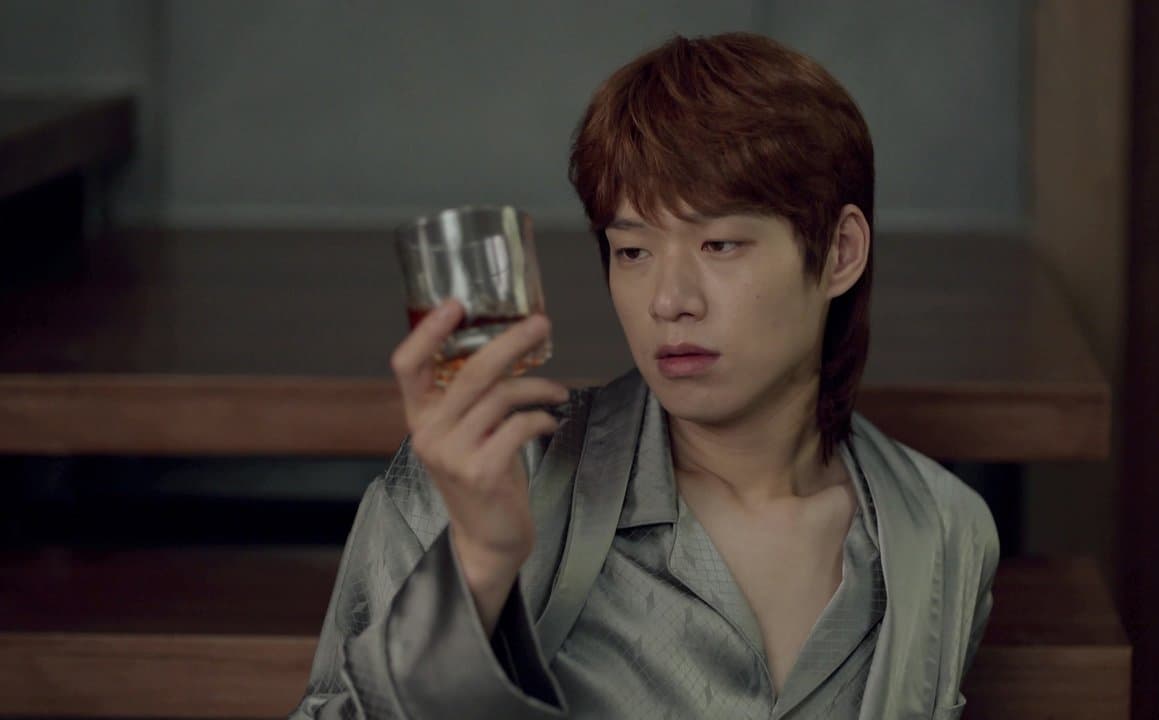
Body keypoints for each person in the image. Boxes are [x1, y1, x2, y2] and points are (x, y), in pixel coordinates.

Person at [290, 32, 998, 720]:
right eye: (632, 251)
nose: (669, 300)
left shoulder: (940, 531)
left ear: (840, 252)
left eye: (720, 244)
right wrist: (477, 565)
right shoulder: (486, 479)